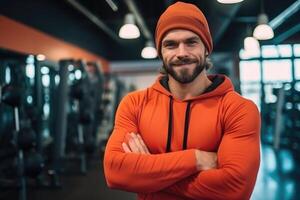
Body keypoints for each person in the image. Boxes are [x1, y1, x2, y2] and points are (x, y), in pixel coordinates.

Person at [103, 2, 260, 200]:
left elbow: (235, 188)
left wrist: (150, 174)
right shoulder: (134, 103)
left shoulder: (238, 109)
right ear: (161, 53)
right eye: (171, 44)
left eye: (191, 42)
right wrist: (196, 159)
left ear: (206, 48)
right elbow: (115, 172)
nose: (181, 52)